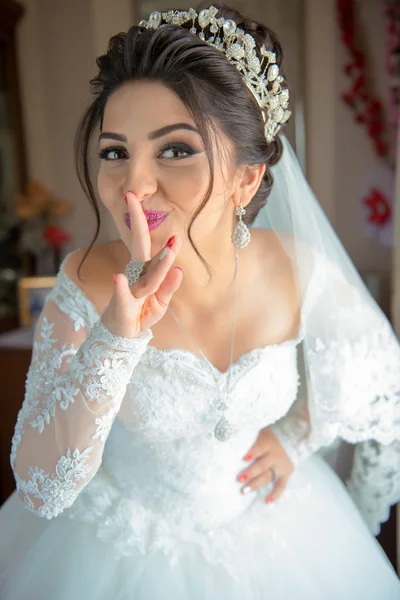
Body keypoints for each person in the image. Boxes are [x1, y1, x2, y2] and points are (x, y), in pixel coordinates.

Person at [0, 3, 399, 598]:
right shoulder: (83, 282)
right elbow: (41, 485)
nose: (133, 184)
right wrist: (117, 335)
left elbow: (374, 375)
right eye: (114, 152)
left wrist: (295, 437)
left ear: (245, 179)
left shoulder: (296, 266)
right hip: (119, 550)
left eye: (176, 149)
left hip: (278, 534)